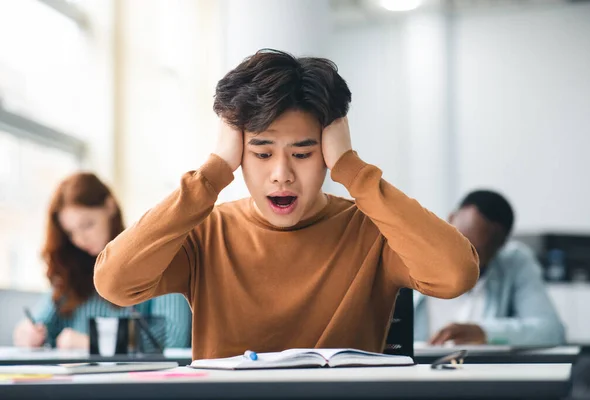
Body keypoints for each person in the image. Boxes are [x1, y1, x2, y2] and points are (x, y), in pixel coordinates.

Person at [94, 49, 479, 360]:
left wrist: (352, 169)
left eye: (303, 153)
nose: (281, 174)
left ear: (327, 152)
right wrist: (212, 174)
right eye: (261, 154)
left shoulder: (374, 229)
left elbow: (455, 274)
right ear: (238, 154)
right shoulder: (206, 231)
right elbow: (115, 284)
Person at [13, 173, 191, 349]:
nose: (80, 239)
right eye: (70, 233)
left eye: (88, 225)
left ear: (110, 206)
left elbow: (173, 336)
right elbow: (38, 325)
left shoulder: (157, 258)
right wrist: (26, 334)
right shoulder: (72, 271)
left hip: (137, 377)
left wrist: (92, 342)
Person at [415, 190, 566, 346]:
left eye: (475, 252)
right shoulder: (409, 257)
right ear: (450, 220)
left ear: (499, 247)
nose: (461, 258)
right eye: (458, 241)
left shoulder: (514, 263)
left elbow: (551, 331)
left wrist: (484, 332)